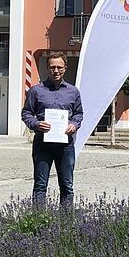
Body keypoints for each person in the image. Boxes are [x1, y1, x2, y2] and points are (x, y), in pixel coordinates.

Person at [21, 51, 83, 207]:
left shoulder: (73, 91)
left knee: (67, 186)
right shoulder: (36, 91)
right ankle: (38, 222)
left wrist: (74, 125)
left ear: (65, 68)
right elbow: (26, 113)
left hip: (66, 145)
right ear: (48, 68)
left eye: (59, 67)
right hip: (43, 144)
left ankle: (66, 223)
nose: (56, 71)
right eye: (52, 67)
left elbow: (79, 114)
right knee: (40, 185)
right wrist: (35, 124)